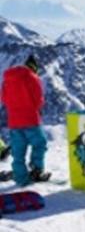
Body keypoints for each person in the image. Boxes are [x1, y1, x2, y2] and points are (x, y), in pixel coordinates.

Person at [1, 54, 50, 185]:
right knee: (40, 144)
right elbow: (38, 100)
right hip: (30, 119)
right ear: (34, 67)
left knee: (18, 151)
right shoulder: (33, 77)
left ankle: (21, 178)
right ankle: (36, 170)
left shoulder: (8, 79)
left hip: (13, 122)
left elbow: (4, 99)